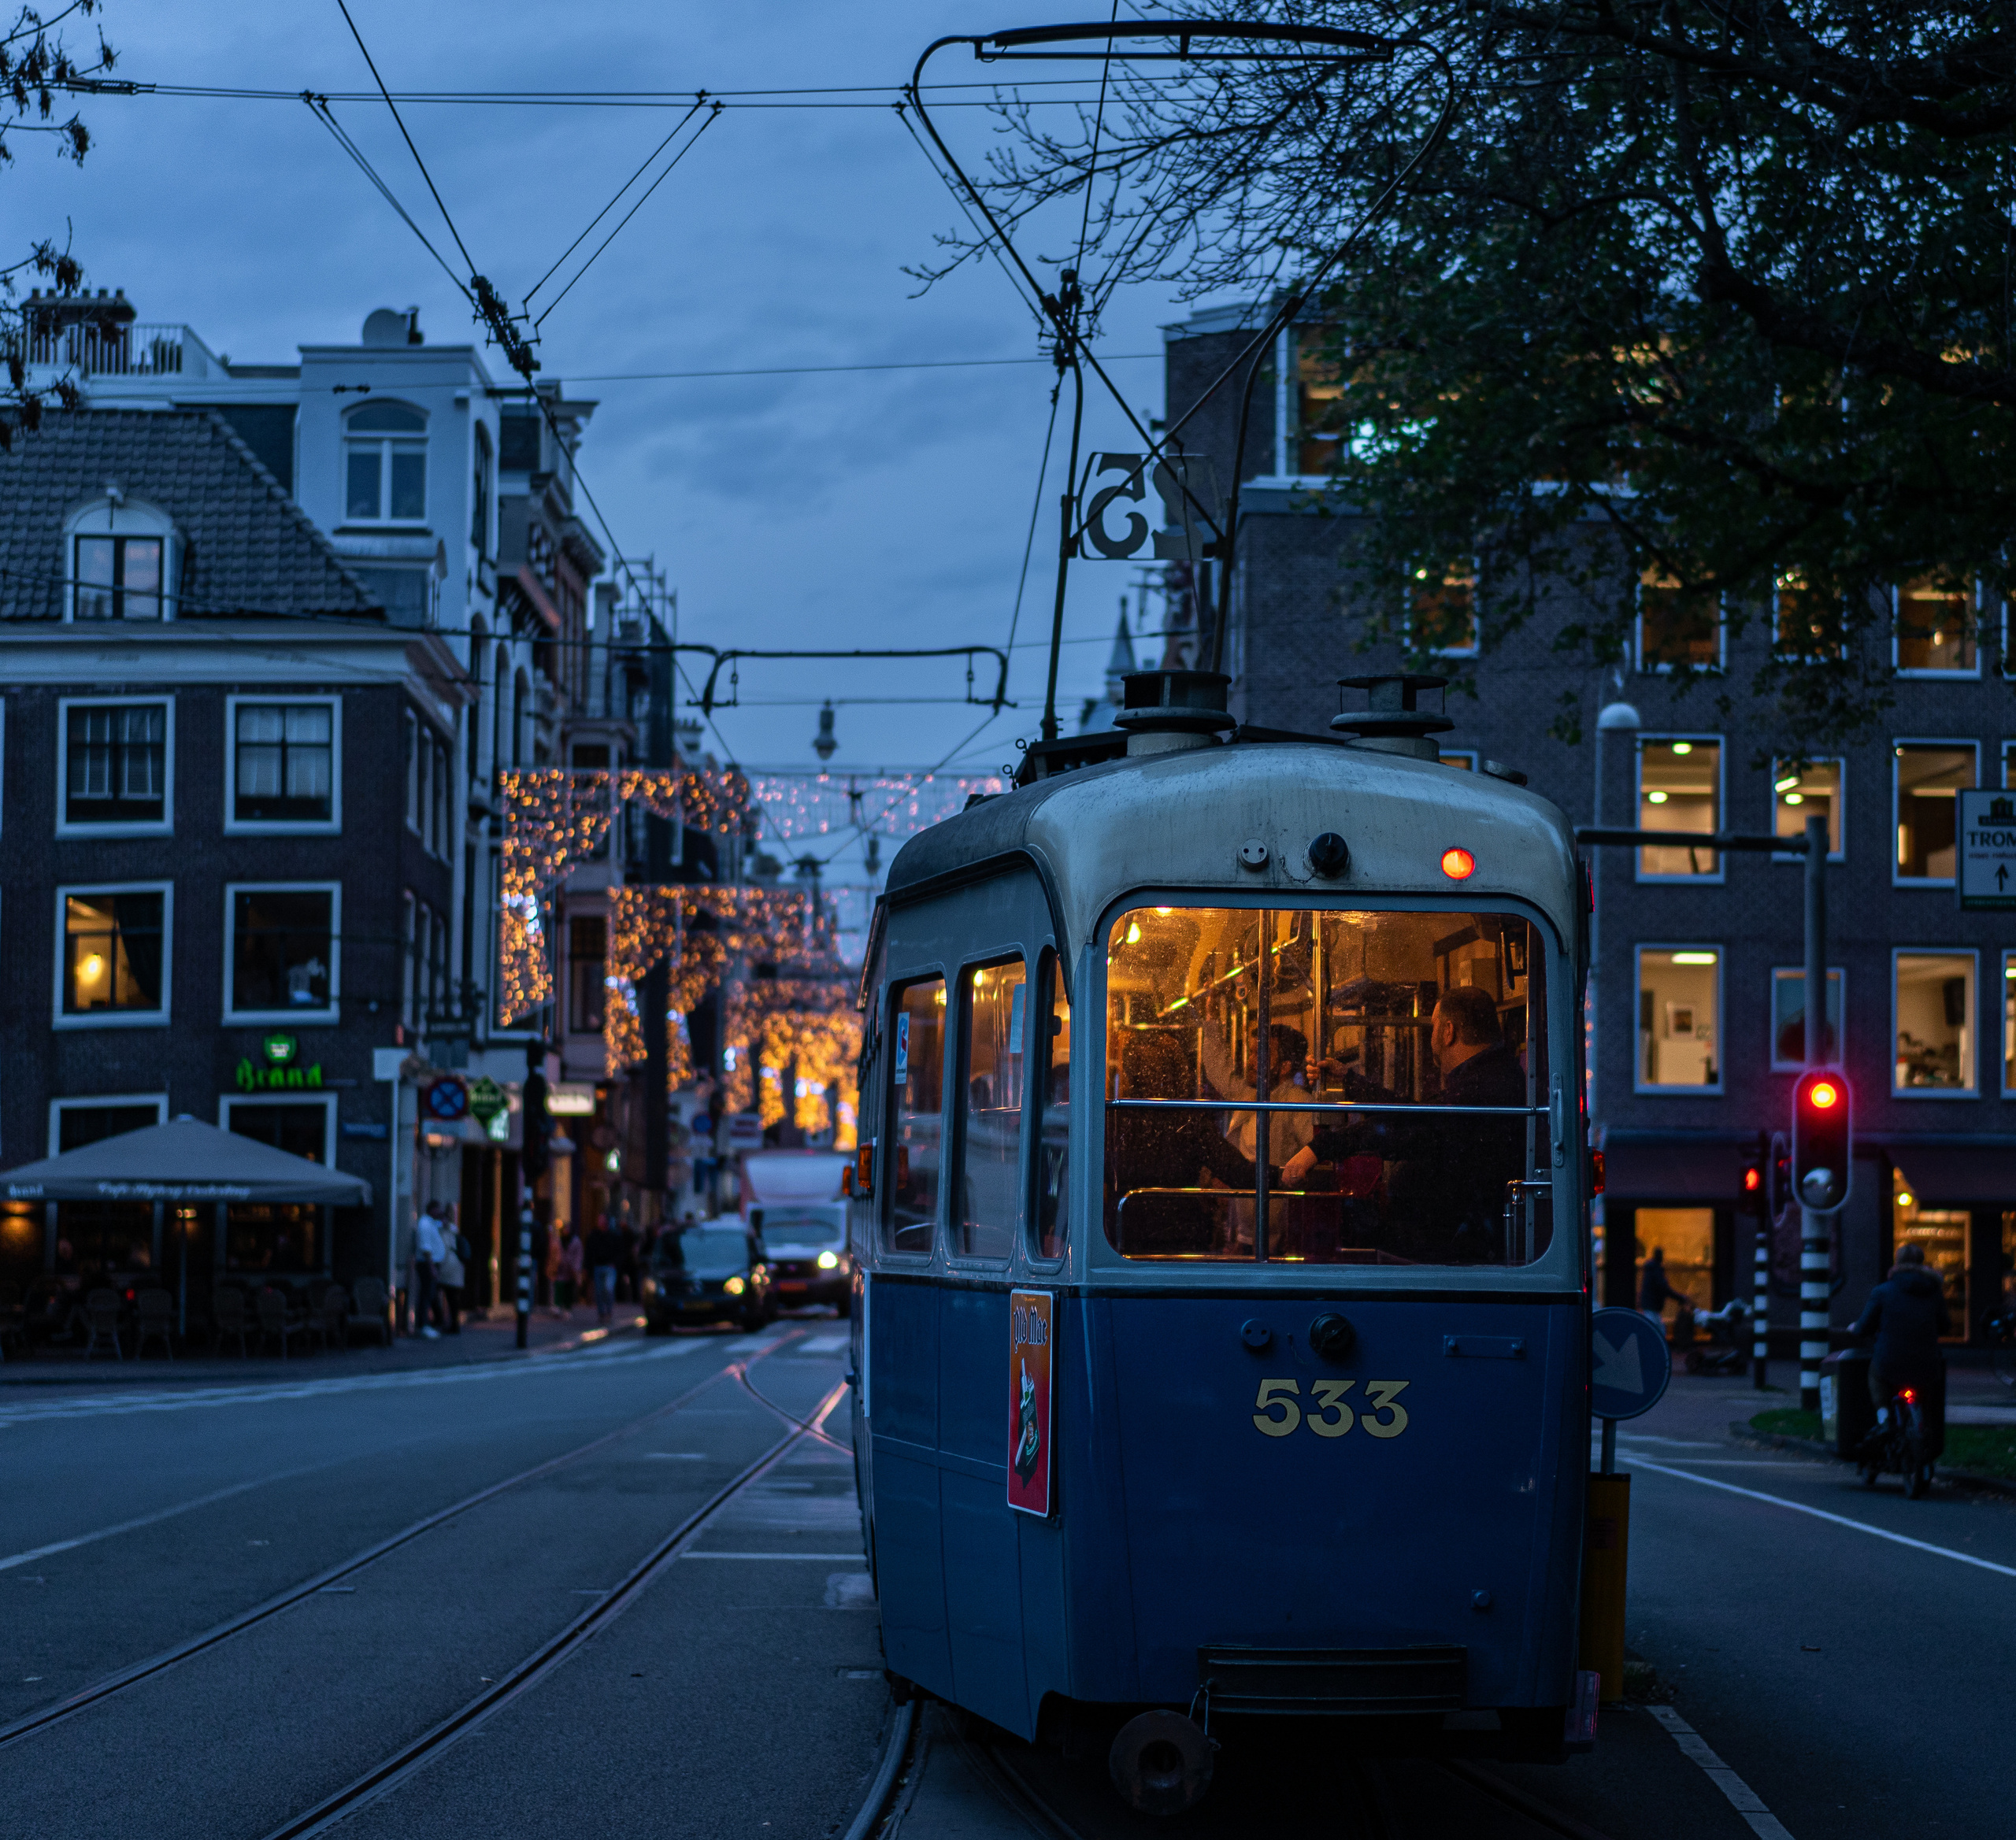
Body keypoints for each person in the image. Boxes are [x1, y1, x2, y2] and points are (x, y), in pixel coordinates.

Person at [1281, 986, 1527, 1258]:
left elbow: (1415, 1126)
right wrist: (1349, 1079)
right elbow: (1417, 1116)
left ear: (1448, 1031)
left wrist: (1322, 1147)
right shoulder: (1492, 1077)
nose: (1431, 1037)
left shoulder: (1482, 1089)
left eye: (1433, 1027)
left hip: (1463, 1254)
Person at [1848, 1242, 1950, 1416]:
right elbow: (1945, 1327)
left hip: (1890, 1361)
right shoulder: (1934, 1292)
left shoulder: (1883, 1291)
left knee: (1876, 1376)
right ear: (1922, 1262)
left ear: (1897, 1262)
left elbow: (1863, 1328)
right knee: (1927, 1389)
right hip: (1926, 1362)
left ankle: (1883, 1416)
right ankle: (1924, 1421)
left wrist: (1854, 1328)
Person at [412, 1202, 446, 1341]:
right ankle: (423, 1325)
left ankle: (431, 1323)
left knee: (430, 1293)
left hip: (430, 1264)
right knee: (426, 1294)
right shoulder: (425, 1224)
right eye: (437, 1209)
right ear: (432, 1209)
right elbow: (426, 1248)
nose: (439, 1211)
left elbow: (443, 1225)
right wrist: (431, 1267)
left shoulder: (431, 1223)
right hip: (427, 1264)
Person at [435, 1202, 467, 1335]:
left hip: (448, 1267)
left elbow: (442, 1248)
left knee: (448, 1296)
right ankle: (453, 1323)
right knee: (453, 1298)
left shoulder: (445, 1231)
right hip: (456, 1267)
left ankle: (445, 1322)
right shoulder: (454, 1230)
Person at [1638, 1247, 1690, 1327]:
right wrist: (1680, 1298)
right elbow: (1664, 1288)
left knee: (1657, 1329)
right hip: (1652, 1307)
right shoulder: (1656, 1270)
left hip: (1650, 1306)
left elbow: (1663, 1288)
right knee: (1657, 1330)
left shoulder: (1651, 1269)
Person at [584, 1214, 621, 1325]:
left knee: (608, 1290)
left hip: (609, 1267)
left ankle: (609, 1311)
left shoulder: (613, 1235)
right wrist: (588, 1267)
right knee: (599, 1291)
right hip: (598, 1266)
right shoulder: (594, 1236)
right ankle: (602, 1313)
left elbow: (619, 1250)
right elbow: (589, 1252)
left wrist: (614, 1263)